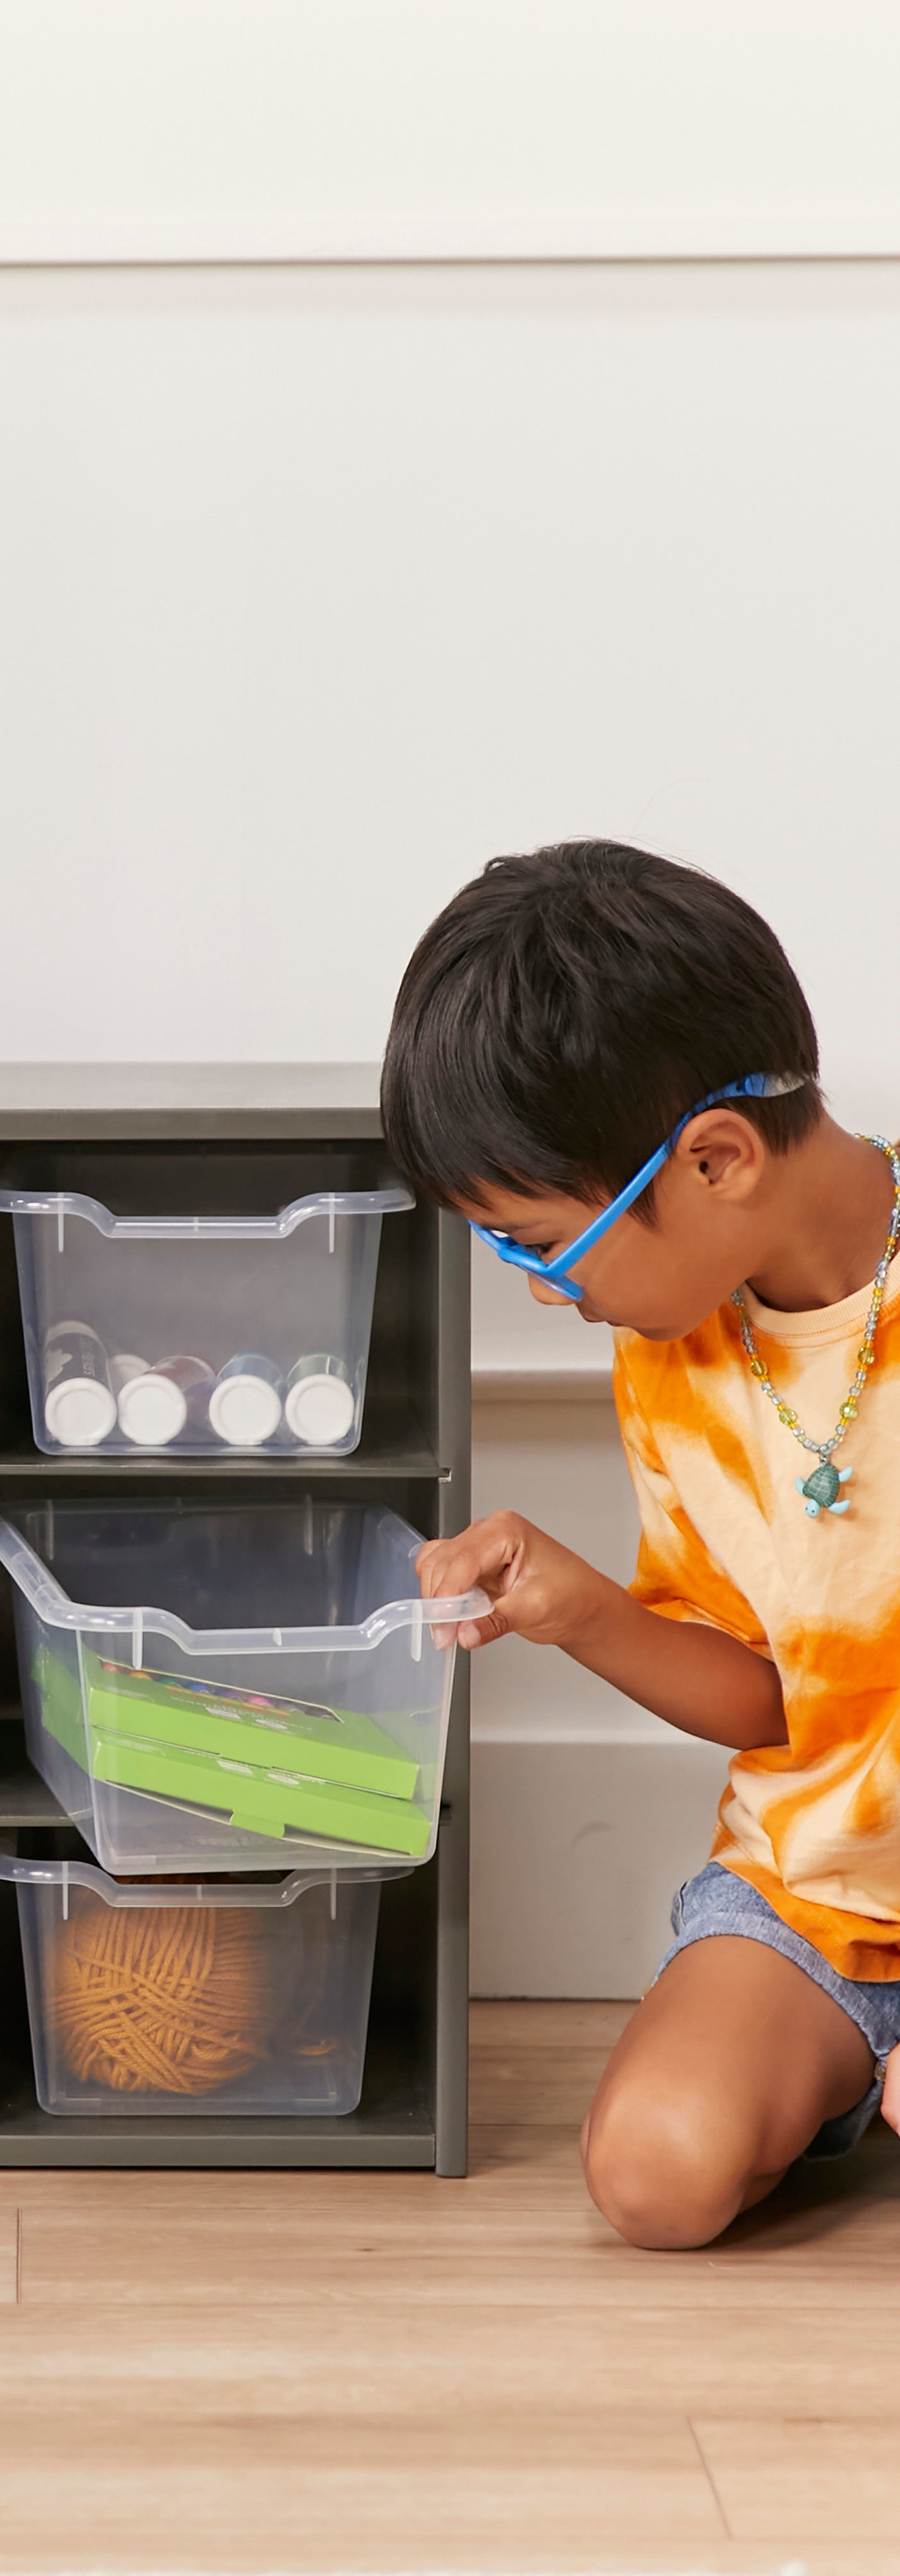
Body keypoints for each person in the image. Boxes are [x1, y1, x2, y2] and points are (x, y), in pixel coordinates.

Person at [385, 840, 900, 2249]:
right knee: (655, 2175)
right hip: (823, 1887)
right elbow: (768, 1699)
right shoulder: (677, 1351)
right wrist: (583, 1609)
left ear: (714, 1158)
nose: (541, 1290)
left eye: (540, 1245)